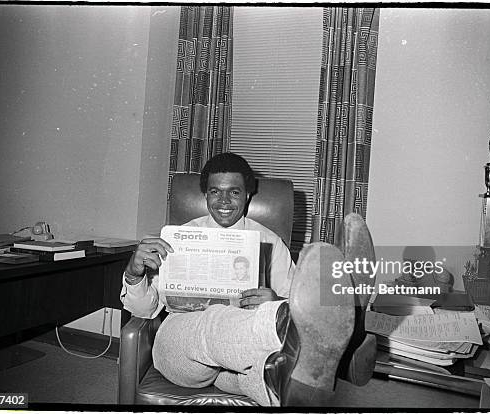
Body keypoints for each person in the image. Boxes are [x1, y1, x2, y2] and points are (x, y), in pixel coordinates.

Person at [120, 153, 372, 406]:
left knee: (266, 374)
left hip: (239, 360)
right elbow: (145, 311)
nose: (224, 201)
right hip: (181, 348)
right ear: (205, 195)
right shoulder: (176, 239)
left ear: (248, 195)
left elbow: (293, 295)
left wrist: (276, 299)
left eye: (234, 192)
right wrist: (134, 274)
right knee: (212, 321)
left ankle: (296, 378)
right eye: (215, 192)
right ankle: (337, 348)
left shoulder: (269, 241)